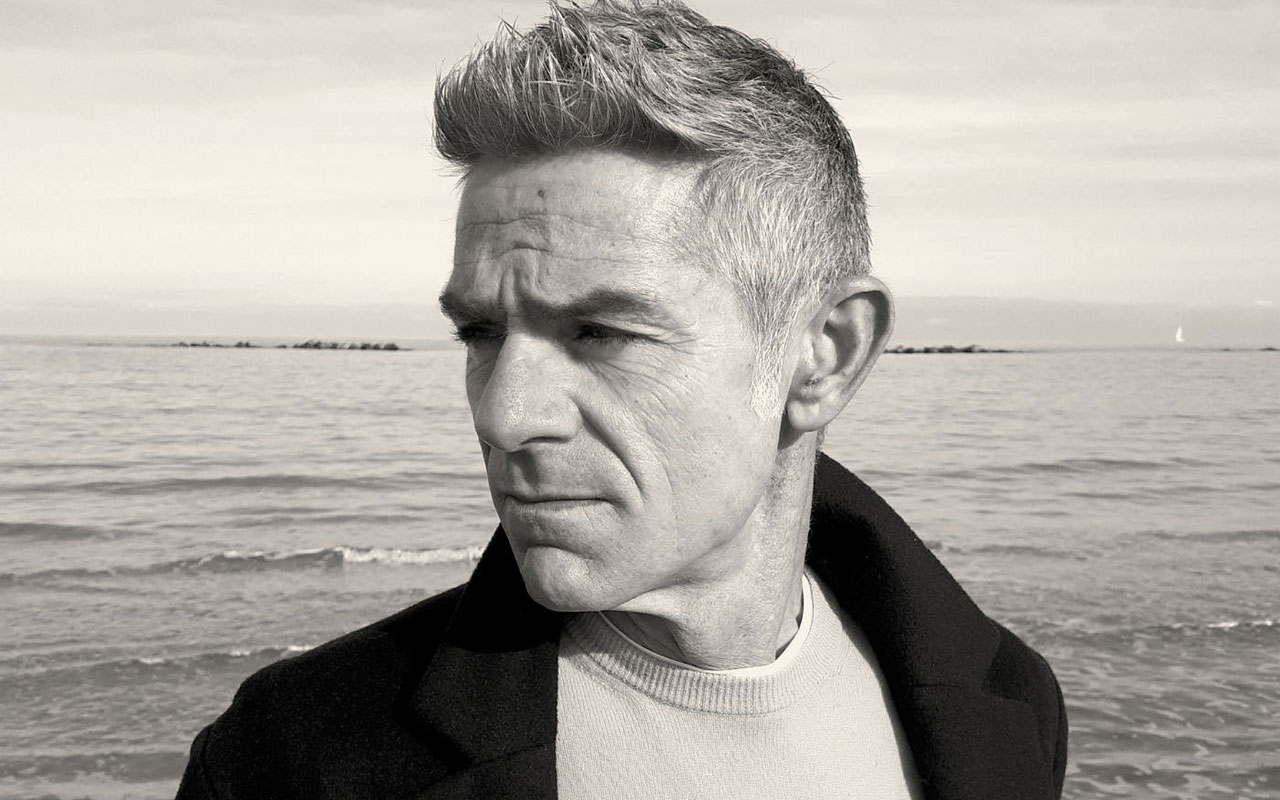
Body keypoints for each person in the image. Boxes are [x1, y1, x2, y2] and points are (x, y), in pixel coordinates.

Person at [177, 2, 1067, 798]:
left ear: (822, 356)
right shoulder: (290, 760)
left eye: (600, 334)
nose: (504, 416)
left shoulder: (1008, 707)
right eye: (480, 333)